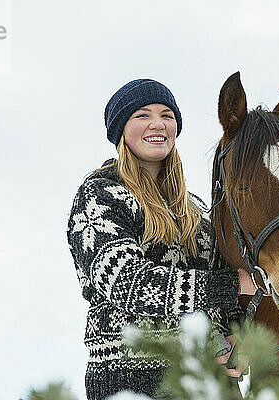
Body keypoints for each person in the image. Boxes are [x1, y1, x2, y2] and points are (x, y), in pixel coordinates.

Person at [67, 78, 256, 399]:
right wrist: (232, 284)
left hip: (208, 379)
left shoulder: (198, 210)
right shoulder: (100, 196)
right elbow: (129, 285)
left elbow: (224, 289)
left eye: (167, 115)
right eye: (142, 115)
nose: (158, 123)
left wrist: (238, 333)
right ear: (120, 130)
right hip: (130, 378)